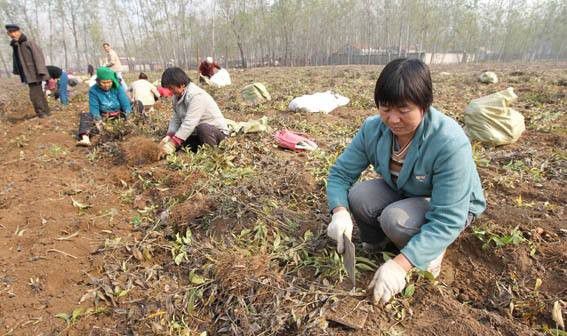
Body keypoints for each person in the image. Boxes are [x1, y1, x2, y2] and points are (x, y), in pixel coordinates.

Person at [326, 58, 486, 305]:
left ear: (424, 105)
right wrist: (339, 211)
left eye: (403, 110)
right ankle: (381, 243)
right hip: (406, 189)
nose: (393, 119)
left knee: (395, 220)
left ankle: (427, 253)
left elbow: (448, 217)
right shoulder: (373, 129)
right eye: (385, 108)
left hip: (450, 205)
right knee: (358, 196)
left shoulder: (448, 142)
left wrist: (400, 266)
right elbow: (341, 174)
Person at [158, 67, 228, 157]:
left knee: (203, 128)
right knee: (183, 141)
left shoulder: (196, 96)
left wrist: (173, 143)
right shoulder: (176, 97)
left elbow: (190, 122)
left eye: (171, 88)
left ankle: (211, 154)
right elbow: (176, 118)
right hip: (197, 132)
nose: (170, 91)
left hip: (215, 134)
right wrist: (169, 135)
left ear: (181, 84)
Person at [76, 67, 131, 146]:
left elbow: (125, 104)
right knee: (86, 116)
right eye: (104, 82)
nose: (107, 85)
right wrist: (100, 124)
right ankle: (85, 139)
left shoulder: (118, 87)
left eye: (109, 82)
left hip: (119, 116)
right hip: (104, 117)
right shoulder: (93, 90)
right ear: (98, 81)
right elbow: (94, 109)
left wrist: (129, 119)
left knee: (137, 104)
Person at [6, 24, 50, 118]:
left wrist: (41, 71)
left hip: (34, 73)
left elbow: (38, 57)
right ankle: (46, 113)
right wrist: (17, 71)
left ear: (19, 31)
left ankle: (41, 114)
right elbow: (17, 60)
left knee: (34, 95)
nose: (12, 35)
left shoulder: (28, 43)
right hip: (28, 74)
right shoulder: (16, 45)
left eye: (14, 32)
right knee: (39, 94)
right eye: (10, 33)